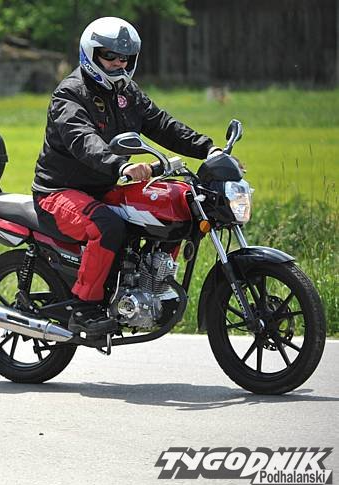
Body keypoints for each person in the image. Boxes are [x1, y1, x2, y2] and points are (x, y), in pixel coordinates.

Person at [32, 17, 221, 336]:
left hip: (102, 188)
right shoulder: (70, 94)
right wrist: (119, 165)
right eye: (110, 56)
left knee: (172, 207)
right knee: (107, 225)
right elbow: (83, 140)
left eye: (125, 57)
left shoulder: (127, 92)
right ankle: (84, 307)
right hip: (58, 193)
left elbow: (163, 125)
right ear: (91, 54)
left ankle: (151, 289)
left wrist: (209, 149)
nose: (119, 63)